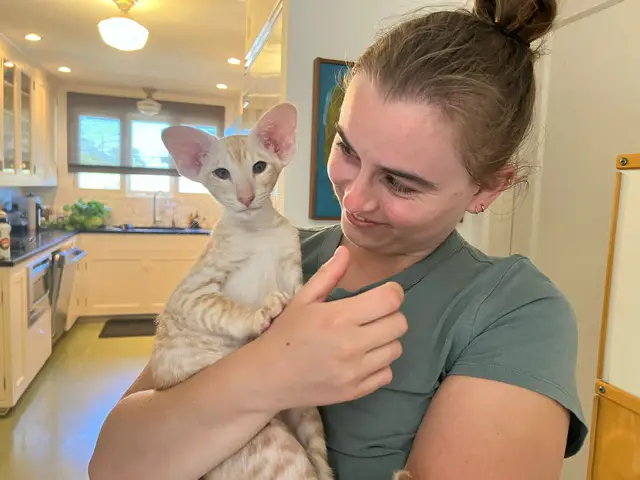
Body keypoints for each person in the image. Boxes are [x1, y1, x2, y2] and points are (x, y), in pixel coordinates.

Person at [89, 0, 588, 478]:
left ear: (487, 188)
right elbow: (111, 466)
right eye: (346, 148)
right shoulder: (272, 252)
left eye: (400, 182)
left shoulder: (515, 313)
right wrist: (270, 370)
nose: (353, 200)